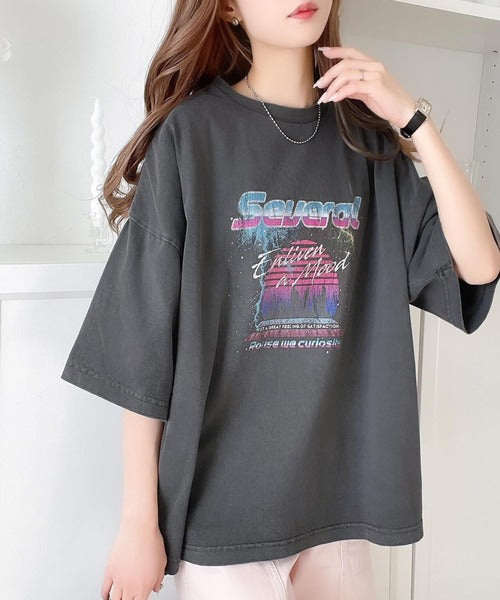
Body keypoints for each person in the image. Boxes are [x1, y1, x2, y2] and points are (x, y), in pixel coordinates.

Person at [60, 0, 500, 599]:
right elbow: (144, 342)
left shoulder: (365, 141)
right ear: (229, 9)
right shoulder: (193, 135)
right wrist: (139, 523)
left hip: (338, 514)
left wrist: (411, 119)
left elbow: (480, 264)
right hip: (221, 521)